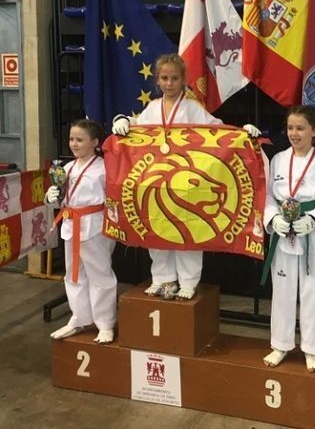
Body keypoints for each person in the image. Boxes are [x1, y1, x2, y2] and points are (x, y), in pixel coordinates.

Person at [112, 53, 260, 301]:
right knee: (156, 227)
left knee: (189, 229)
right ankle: (162, 278)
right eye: (164, 78)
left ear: (183, 80)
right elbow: (137, 126)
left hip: (187, 181)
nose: (169, 83)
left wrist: (242, 133)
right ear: (157, 80)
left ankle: (189, 281)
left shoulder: (192, 108)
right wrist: (124, 120)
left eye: (174, 78)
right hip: (156, 180)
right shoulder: (153, 107)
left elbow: (217, 130)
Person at [262, 105, 315, 373]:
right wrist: (272, 218)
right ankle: (280, 344)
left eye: (300, 128)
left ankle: (312, 349)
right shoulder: (278, 160)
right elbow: (267, 194)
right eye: (290, 128)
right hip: (283, 234)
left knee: (313, 292)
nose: (294, 133)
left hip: (314, 235)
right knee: (282, 292)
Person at [46, 119, 117, 344]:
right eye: (71, 139)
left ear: (95, 142)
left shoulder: (104, 168)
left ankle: (105, 323)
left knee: (100, 275)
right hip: (70, 224)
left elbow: (114, 199)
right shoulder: (66, 168)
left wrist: (115, 223)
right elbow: (62, 199)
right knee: (73, 274)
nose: (74, 144)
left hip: (95, 226)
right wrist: (51, 198)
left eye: (79, 140)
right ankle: (79, 318)